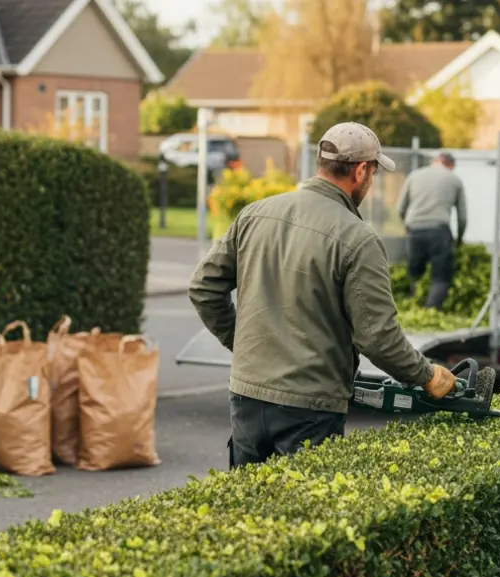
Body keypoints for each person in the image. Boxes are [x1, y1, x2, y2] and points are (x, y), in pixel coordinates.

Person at [189, 122, 458, 469]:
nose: (371, 181)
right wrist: (427, 376)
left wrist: (241, 343)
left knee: (248, 514)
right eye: (374, 172)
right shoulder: (359, 238)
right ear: (361, 171)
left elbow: (203, 288)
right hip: (311, 407)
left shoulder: (255, 214)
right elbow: (377, 337)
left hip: (247, 394)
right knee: (306, 516)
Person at [396, 151, 467, 309]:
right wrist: (459, 240)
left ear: (435, 161)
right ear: (451, 165)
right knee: (440, 275)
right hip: (439, 231)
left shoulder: (414, 176)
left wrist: (408, 226)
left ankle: (412, 305)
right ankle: (431, 310)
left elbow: (400, 208)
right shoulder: (454, 179)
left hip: (414, 230)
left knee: (415, 271)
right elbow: (462, 217)